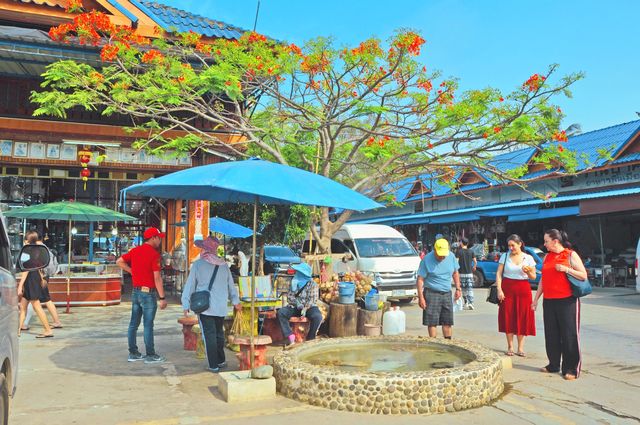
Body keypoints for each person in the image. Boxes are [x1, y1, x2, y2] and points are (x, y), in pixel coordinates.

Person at [533, 229, 587, 381]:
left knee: (569, 334)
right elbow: (543, 279)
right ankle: (554, 364)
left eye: (546, 241)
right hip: (549, 301)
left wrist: (566, 269)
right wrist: (536, 299)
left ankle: (571, 368)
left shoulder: (570, 255)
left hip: (567, 300)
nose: (544, 244)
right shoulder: (548, 257)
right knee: (551, 335)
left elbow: (583, 275)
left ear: (555, 241)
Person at [182, 236, 241, 373]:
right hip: (220, 307)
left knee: (209, 335)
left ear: (205, 249)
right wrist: (236, 302)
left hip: (205, 307)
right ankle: (220, 360)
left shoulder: (198, 265)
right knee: (219, 334)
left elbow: (190, 286)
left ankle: (213, 364)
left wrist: (186, 304)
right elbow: (231, 286)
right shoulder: (224, 265)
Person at [116, 227, 168, 364]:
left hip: (136, 292)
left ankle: (133, 353)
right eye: (159, 237)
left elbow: (118, 261)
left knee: (133, 324)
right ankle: (150, 355)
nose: (160, 240)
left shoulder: (135, 251)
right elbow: (157, 278)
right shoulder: (154, 254)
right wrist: (162, 298)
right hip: (148, 294)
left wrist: (130, 270)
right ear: (153, 238)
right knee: (148, 325)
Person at [496, 234, 537, 356]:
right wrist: (499, 289)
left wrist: (528, 271)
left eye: (513, 245)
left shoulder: (528, 258)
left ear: (520, 244)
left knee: (522, 316)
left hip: (523, 289)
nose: (511, 248)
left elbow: (533, 277)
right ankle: (510, 347)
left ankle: (520, 348)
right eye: (509, 246)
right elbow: (499, 274)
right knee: (508, 316)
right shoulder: (505, 256)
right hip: (507, 289)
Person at [416, 238, 461, 338]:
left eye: (444, 254)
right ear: (435, 250)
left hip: (446, 293)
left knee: (447, 321)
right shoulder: (426, 259)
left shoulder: (451, 256)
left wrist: (458, 288)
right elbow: (420, 279)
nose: (442, 256)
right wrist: (421, 297)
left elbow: (455, 272)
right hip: (431, 293)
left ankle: (448, 343)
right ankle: (434, 343)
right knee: (432, 322)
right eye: (440, 254)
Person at [21, 230, 62, 331]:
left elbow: (30, 265)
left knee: (35, 300)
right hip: (43, 276)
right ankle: (56, 321)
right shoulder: (43, 247)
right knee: (43, 299)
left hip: (39, 277)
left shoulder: (36, 248)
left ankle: (25, 324)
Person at [17, 232, 54, 338]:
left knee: (36, 306)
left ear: (27, 240)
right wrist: (41, 278)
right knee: (23, 306)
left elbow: (25, 270)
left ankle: (48, 330)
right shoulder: (38, 249)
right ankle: (18, 330)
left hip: (30, 280)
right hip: (35, 278)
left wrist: (20, 286)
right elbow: (38, 266)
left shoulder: (26, 251)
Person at [277, 263, 323, 345]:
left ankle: (310, 338)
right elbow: (290, 298)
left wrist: (305, 308)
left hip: (309, 308)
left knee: (318, 317)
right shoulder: (294, 282)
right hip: (295, 307)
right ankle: (290, 335)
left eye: (299, 272)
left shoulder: (312, 284)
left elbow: (313, 299)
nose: (296, 274)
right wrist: (298, 304)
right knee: (281, 312)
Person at [456, 237, 477, 310]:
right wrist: (474, 267)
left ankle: (466, 302)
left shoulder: (459, 252)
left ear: (461, 243)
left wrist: (456, 271)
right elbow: (475, 261)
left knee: (463, 289)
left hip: (461, 273)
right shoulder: (471, 251)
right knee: (470, 289)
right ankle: (471, 303)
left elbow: (456, 262)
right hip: (469, 273)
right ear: (467, 243)